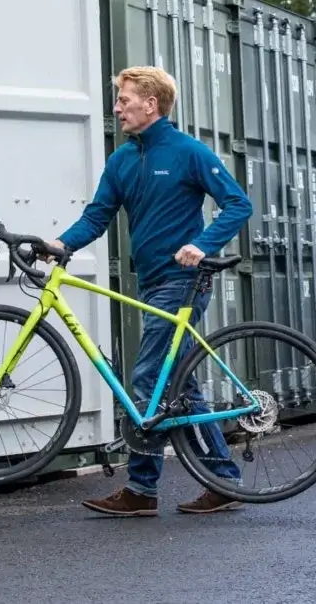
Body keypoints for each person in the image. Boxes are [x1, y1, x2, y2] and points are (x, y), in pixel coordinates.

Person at [48, 65, 253, 517]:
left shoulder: (187, 152)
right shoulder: (122, 159)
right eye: (118, 100)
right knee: (177, 383)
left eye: (124, 99)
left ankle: (141, 488)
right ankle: (224, 479)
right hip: (151, 283)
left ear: (151, 104)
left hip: (183, 282)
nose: (117, 107)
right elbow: (97, 215)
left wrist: (201, 245)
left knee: (146, 378)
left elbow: (239, 203)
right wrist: (59, 244)